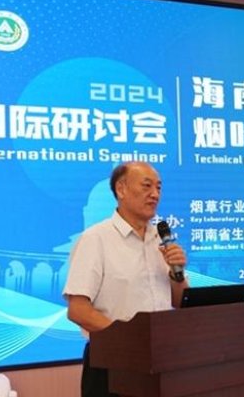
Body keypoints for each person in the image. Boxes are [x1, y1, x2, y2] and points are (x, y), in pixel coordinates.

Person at [63, 161, 189, 397]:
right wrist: (131, 340)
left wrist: (177, 273)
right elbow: (78, 310)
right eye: (146, 186)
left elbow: (180, 301)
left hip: (160, 360)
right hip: (111, 362)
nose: (155, 194)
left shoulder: (161, 240)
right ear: (121, 190)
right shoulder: (96, 239)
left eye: (159, 187)